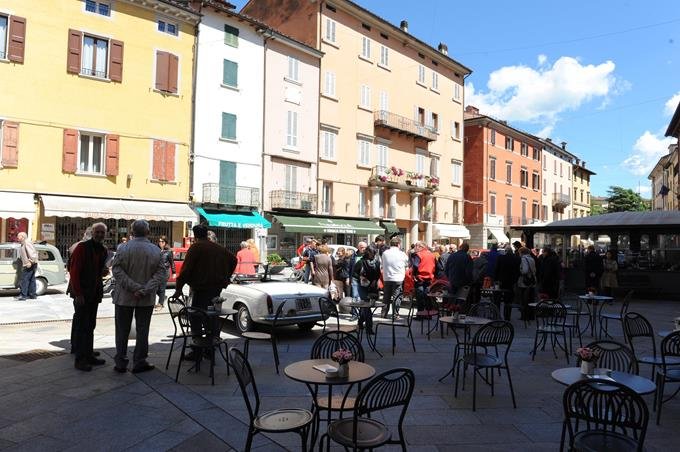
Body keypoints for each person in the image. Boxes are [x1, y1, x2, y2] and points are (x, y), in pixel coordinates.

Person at [173, 225, 237, 359]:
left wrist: (178, 289)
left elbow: (185, 270)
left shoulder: (196, 247)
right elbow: (233, 260)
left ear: (195, 235)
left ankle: (197, 350)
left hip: (201, 289)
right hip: (215, 289)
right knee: (212, 318)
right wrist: (225, 276)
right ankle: (210, 348)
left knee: (196, 317)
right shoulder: (216, 247)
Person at [111, 220, 167, 374]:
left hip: (124, 297)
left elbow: (116, 270)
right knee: (143, 331)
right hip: (145, 298)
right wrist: (145, 289)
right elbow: (161, 273)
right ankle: (139, 361)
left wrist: (134, 287)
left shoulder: (123, 248)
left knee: (122, 331)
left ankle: (121, 362)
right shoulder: (155, 250)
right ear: (148, 232)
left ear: (132, 232)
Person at [68, 223, 109, 371]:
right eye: (97, 232)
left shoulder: (103, 250)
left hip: (94, 293)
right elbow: (74, 271)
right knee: (82, 326)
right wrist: (78, 293)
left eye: (102, 232)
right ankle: (80, 359)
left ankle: (89, 354)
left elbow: (98, 270)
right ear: (92, 232)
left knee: (90, 325)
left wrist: (103, 271)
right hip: (83, 293)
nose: (100, 235)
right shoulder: (82, 248)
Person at [380, 237, 409, 318]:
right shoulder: (402, 254)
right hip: (398, 278)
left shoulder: (385, 253)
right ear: (399, 244)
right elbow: (407, 264)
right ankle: (395, 314)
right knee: (397, 297)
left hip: (387, 277)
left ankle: (384, 313)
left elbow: (382, 264)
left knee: (386, 297)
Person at [495, 244, 520, 320]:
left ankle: (498, 315)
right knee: (509, 300)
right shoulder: (516, 258)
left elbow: (497, 269)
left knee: (498, 299)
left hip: (501, 281)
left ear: (505, 251)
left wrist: (496, 279)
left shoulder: (501, 258)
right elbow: (518, 271)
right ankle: (507, 316)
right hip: (511, 282)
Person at [412, 241, 436, 314]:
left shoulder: (419, 254)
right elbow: (437, 266)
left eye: (416, 246)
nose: (415, 248)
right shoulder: (432, 255)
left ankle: (420, 314)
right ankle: (428, 314)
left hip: (420, 278)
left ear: (421, 247)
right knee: (428, 297)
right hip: (429, 278)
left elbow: (415, 265)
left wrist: (414, 274)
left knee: (420, 297)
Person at [154, 236, 176, 310]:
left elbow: (172, 262)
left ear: (165, 242)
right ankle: (163, 297)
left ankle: (160, 304)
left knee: (162, 288)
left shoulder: (168, 252)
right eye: (159, 241)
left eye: (162, 241)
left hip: (165, 272)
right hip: (157, 272)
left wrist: (174, 272)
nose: (160, 243)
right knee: (155, 288)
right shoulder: (157, 250)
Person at [15, 232, 38, 300]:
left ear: (23, 237)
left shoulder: (27, 243)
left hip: (29, 264)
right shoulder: (23, 243)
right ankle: (32, 295)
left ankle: (23, 295)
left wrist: (30, 261)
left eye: (18, 236)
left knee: (24, 280)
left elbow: (32, 253)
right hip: (30, 264)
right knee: (31, 280)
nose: (17, 237)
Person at [517, 247, 537, 321]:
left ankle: (525, 316)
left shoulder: (523, 259)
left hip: (525, 282)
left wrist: (520, 270)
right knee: (531, 298)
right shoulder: (531, 258)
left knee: (524, 299)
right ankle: (531, 315)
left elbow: (525, 270)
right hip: (532, 280)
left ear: (522, 253)